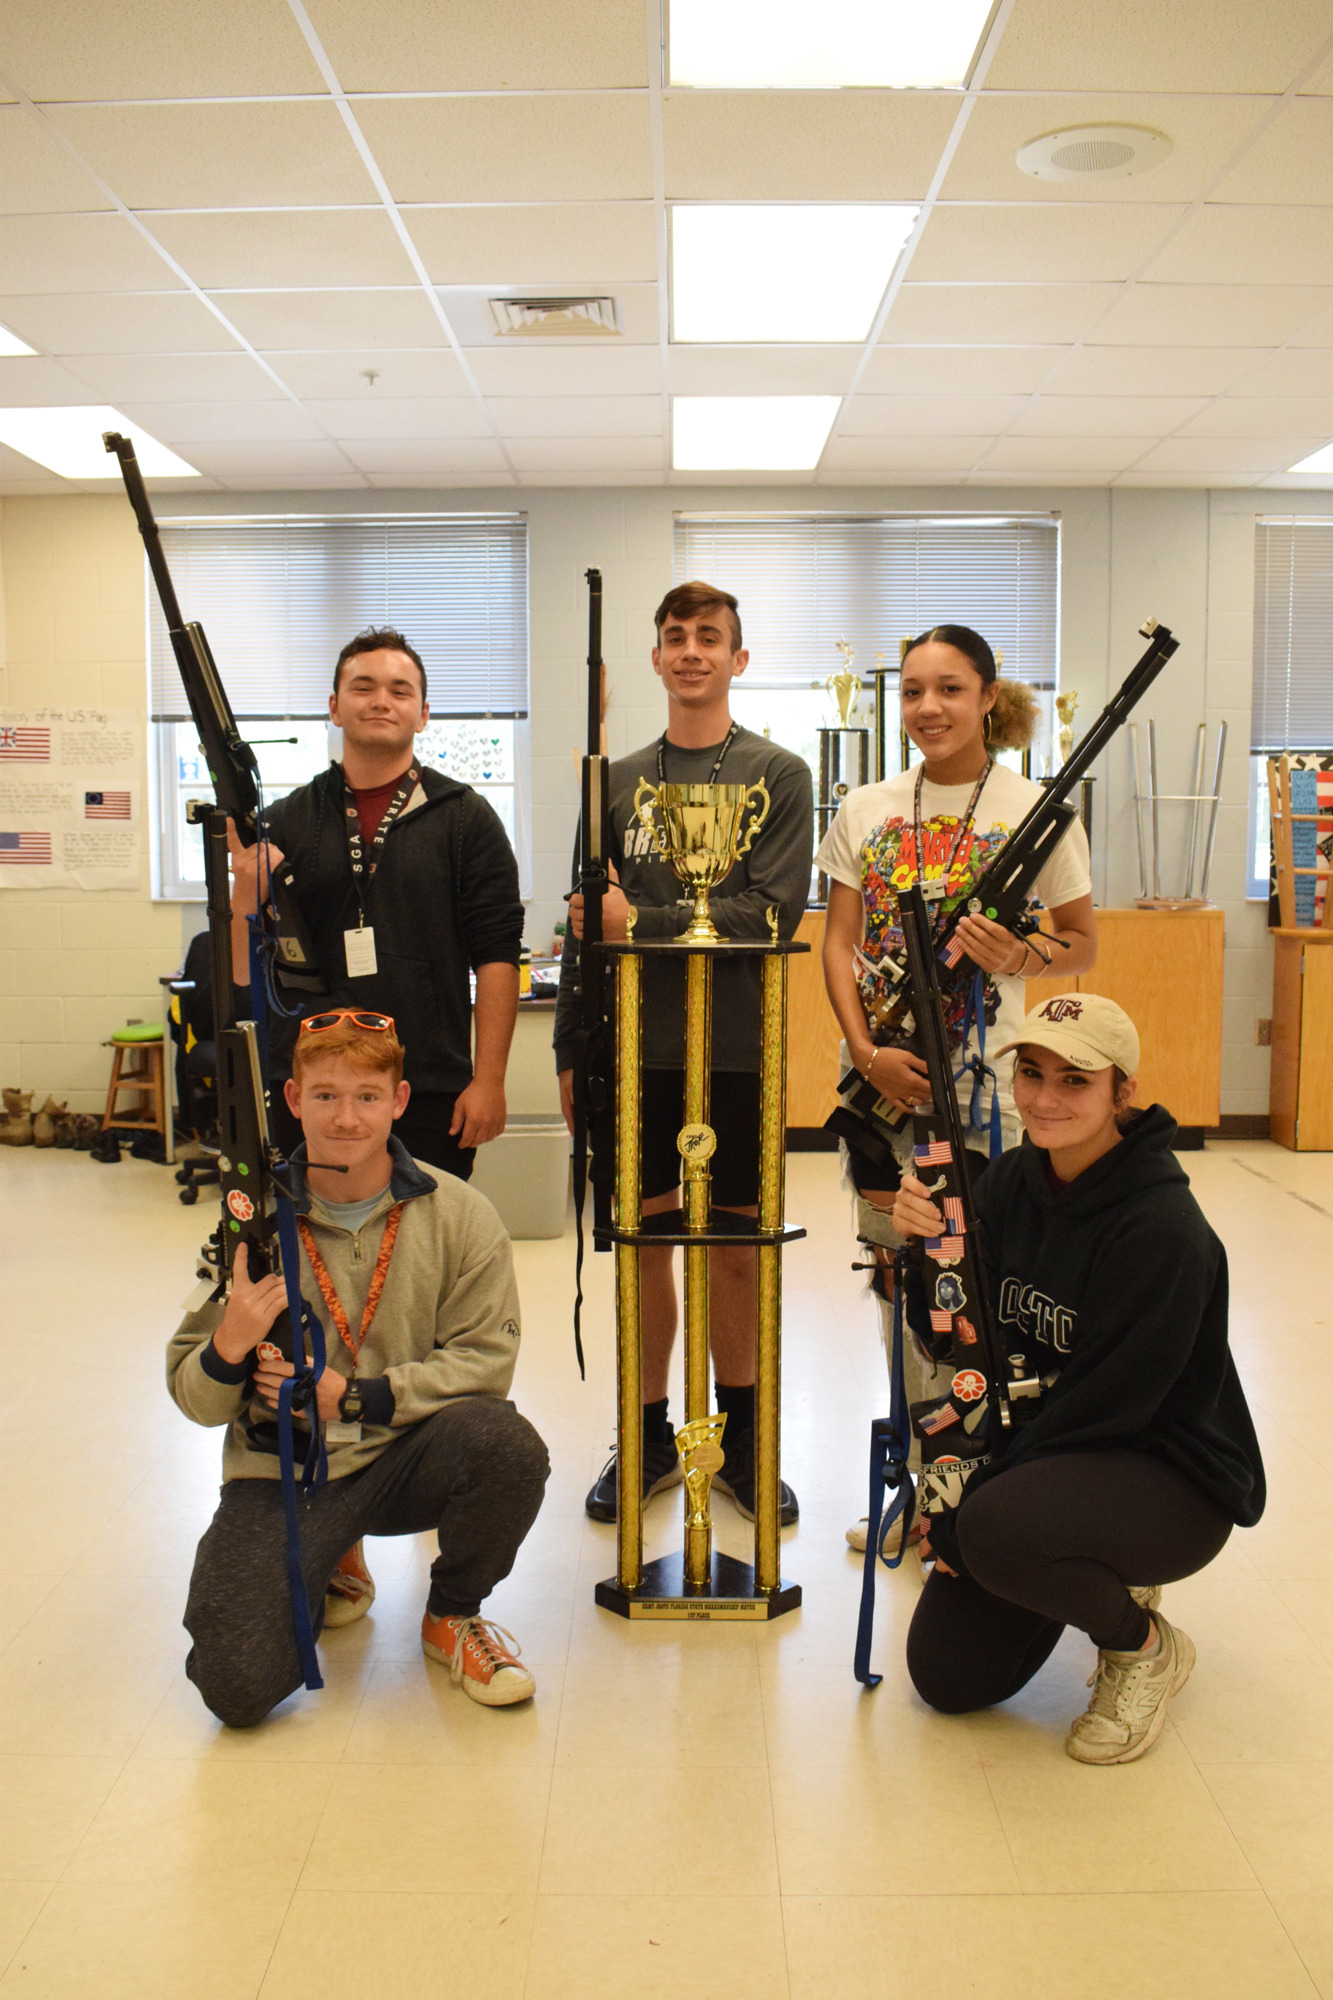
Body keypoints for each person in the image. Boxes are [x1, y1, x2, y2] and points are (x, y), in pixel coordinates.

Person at [892, 993, 1264, 1764]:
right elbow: (961, 1340)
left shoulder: (1161, 1232)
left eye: (1073, 1081)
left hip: (1166, 1474)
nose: (1043, 1099)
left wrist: (972, 1511)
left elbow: (1106, 1406)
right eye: (1031, 1074)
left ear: (1121, 1093)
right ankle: (1083, 1563)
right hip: (1058, 1455)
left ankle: (1142, 1646)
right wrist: (923, 1250)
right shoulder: (1009, 1185)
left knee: (994, 1530)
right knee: (948, 1677)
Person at [168, 1010, 549, 1724]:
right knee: (237, 1688)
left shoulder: (460, 1214)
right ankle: (326, 1560)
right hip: (285, 1468)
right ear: (291, 1100)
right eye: (325, 1096)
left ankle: (452, 1617)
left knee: (505, 1445)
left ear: (398, 1101)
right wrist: (230, 1344)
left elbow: (486, 1362)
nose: (345, 1118)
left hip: (406, 1454)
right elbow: (192, 1396)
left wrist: (355, 1397)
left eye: (366, 1097)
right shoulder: (247, 1226)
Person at [816, 624, 1097, 1549]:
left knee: (980, 1288)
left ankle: (981, 1492)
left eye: (949, 688)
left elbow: (1080, 942)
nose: (928, 708)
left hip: (995, 1100)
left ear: (986, 696)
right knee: (903, 1288)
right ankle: (916, 1482)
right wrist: (863, 1051)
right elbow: (837, 942)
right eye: (911, 691)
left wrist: (1020, 952)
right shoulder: (865, 807)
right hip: (889, 1087)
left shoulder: (1033, 809)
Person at [554, 581, 815, 1524]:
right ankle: (651, 1433)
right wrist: (569, 1048)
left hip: (740, 1050)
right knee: (645, 1244)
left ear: (737, 660)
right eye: (675, 637)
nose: (692, 651)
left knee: (738, 1248)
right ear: (656, 660)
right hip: (635, 1052)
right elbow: (585, 923)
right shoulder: (612, 783)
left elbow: (773, 912)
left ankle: (743, 1444)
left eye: (710, 638)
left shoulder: (779, 777)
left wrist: (646, 921)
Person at [227, 626, 523, 1182]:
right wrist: (245, 891)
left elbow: (497, 956)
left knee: (427, 1250)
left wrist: (489, 1081)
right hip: (312, 1087)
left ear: (423, 712)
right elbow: (243, 973)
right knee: (321, 1254)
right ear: (335, 708)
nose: (381, 700)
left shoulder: (465, 818)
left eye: (400, 690)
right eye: (363, 687)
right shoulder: (286, 820)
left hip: (429, 1082)